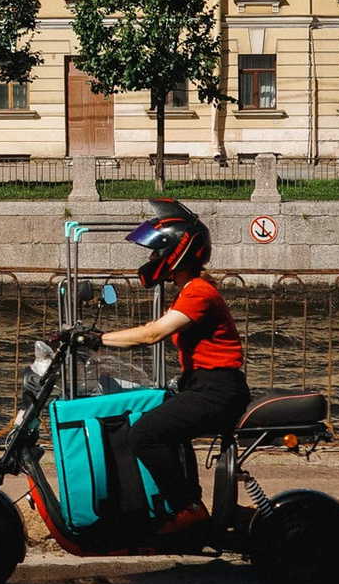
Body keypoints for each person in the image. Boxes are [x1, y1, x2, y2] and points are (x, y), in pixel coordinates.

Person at [73, 199, 246, 535]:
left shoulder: (198, 292)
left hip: (217, 390)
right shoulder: (189, 291)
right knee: (162, 417)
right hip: (204, 386)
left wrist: (97, 338)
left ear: (176, 252)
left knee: (145, 434)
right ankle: (189, 505)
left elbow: (152, 334)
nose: (151, 259)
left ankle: (188, 509)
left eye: (156, 252)